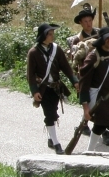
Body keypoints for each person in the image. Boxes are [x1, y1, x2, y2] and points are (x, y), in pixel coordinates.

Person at [27, 23, 79, 155]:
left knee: (53, 112)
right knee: (49, 114)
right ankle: (56, 144)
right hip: (43, 89)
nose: (52, 36)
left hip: (56, 88)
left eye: (52, 33)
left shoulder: (57, 49)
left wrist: (75, 82)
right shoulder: (33, 52)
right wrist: (35, 92)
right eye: (50, 34)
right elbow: (30, 75)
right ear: (43, 35)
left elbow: (66, 67)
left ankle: (51, 138)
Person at [79, 26, 109, 152]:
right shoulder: (93, 57)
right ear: (102, 40)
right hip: (98, 97)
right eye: (107, 38)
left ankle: (89, 152)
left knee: (101, 126)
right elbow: (84, 83)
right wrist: (85, 108)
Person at [67, 3, 99, 138]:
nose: (88, 24)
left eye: (90, 20)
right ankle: (85, 123)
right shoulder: (76, 40)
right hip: (84, 72)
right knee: (85, 98)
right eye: (85, 21)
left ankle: (96, 124)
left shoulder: (98, 35)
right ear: (81, 23)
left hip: (98, 71)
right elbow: (74, 59)